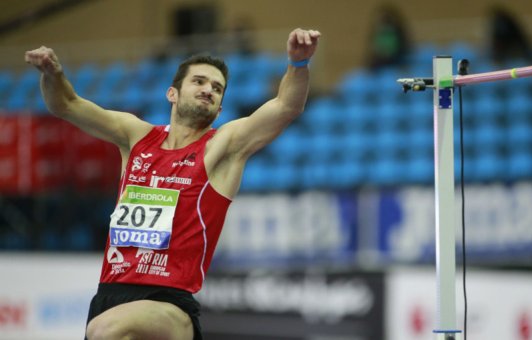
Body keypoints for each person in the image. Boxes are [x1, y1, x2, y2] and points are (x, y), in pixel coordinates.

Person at [25, 27, 321, 340]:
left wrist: (298, 64)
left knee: (104, 330)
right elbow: (66, 105)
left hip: (169, 304)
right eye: (199, 81)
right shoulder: (135, 136)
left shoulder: (222, 148)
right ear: (173, 94)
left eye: (217, 88)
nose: (209, 89)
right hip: (109, 295)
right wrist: (52, 73)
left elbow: (286, 106)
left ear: (220, 108)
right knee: (105, 328)